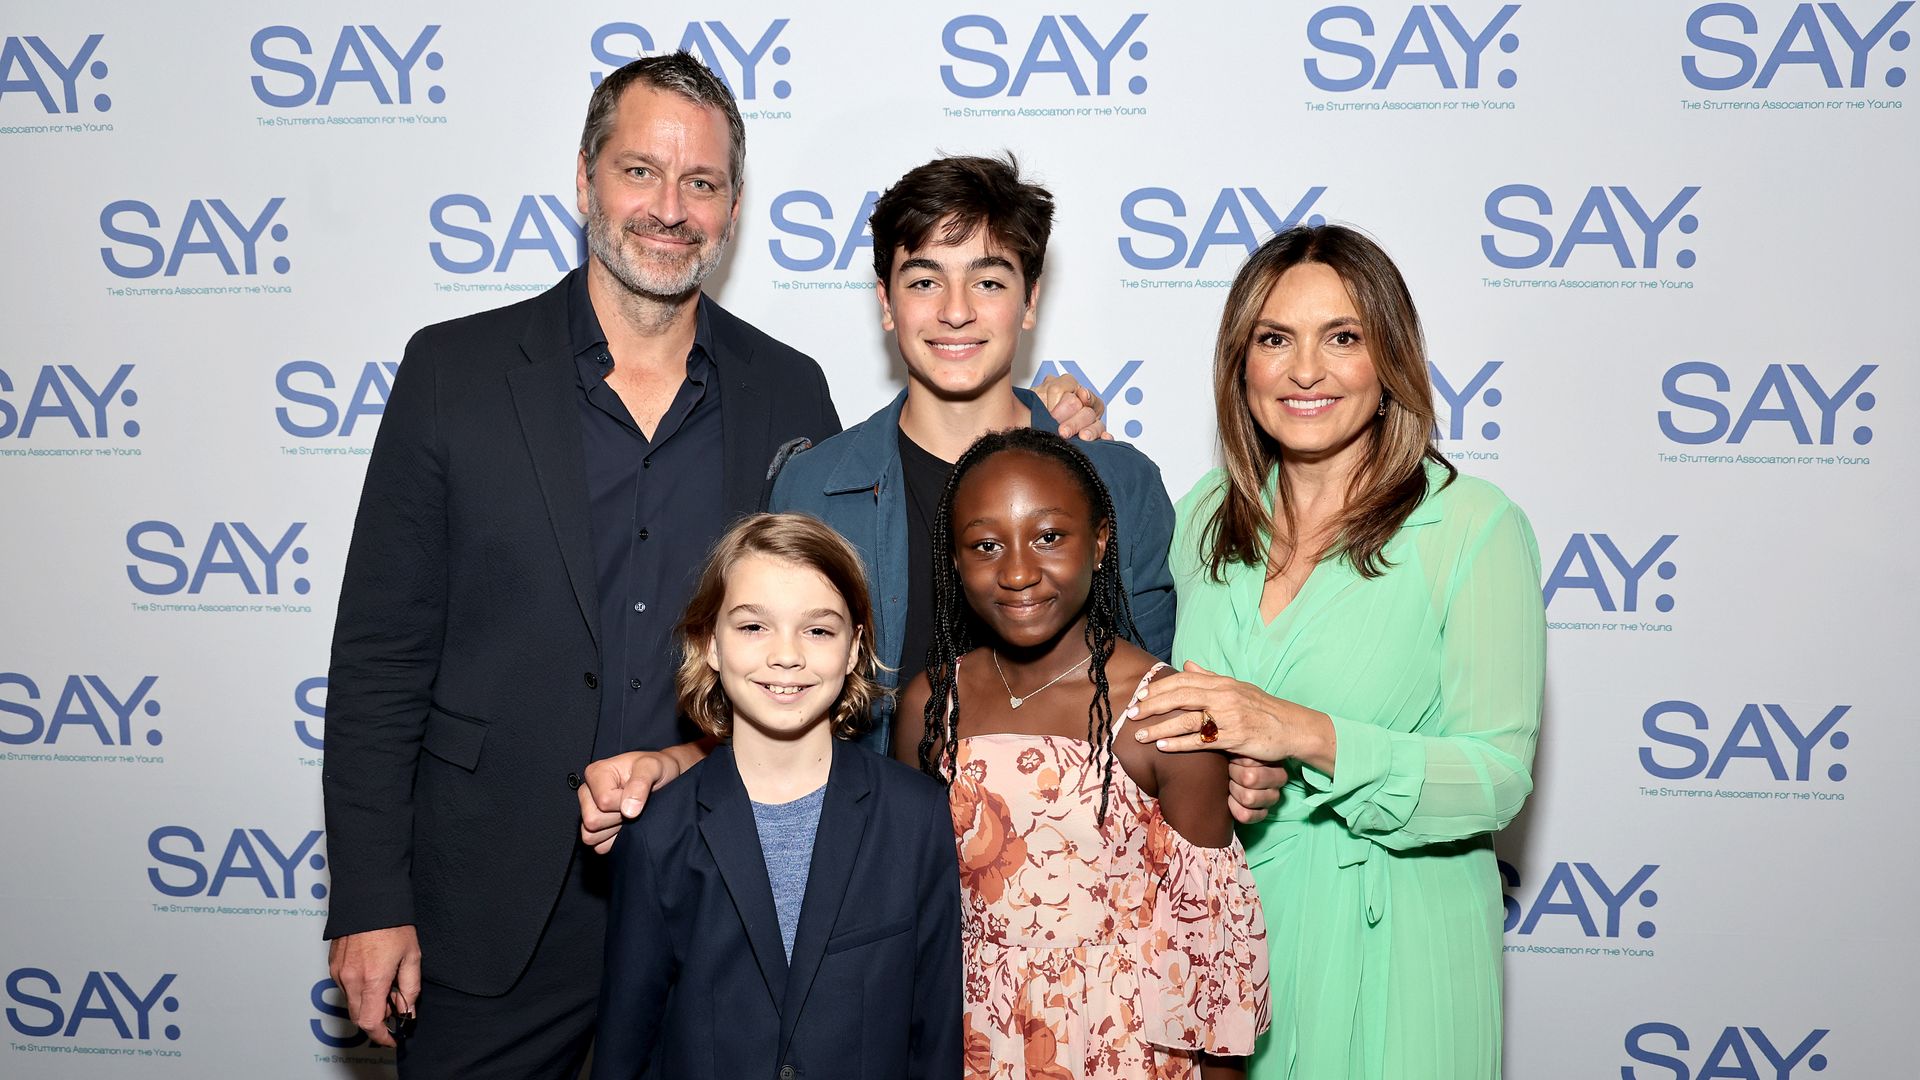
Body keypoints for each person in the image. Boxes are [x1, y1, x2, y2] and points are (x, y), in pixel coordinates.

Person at [322, 52, 1099, 1077]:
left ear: (733, 208)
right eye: (641, 171)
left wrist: (1044, 434)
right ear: (586, 179)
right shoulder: (453, 373)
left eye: (703, 183)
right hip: (493, 910)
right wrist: (374, 899)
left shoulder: (788, 395)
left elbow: (862, 612)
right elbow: (381, 656)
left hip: (728, 907)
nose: (670, 209)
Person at [580, 154, 1202, 847]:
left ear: (1029, 303)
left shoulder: (1117, 485)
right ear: (886, 303)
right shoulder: (813, 486)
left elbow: (1161, 718)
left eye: (988, 281)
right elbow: (775, 711)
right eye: (924, 280)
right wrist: (676, 761)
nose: (956, 311)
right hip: (867, 882)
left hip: (1073, 892)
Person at [1126, 225, 1547, 1079]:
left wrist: (1303, 733)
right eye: (1275, 339)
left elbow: (1498, 775)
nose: (1305, 371)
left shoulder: (1474, 527)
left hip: (1401, 941)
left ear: (1388, 359)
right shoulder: (1206, 513)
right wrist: (1229, 767)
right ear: (1240, 365)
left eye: (1342, 338)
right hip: (1232, 935)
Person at [894, 428, 1270, 1080]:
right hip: (964, 1037)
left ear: (1098, 544)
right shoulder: (929, 704)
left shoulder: (1168, 714)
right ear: (954, 561)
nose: (1017, 571)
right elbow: (904, 913)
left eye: (1048, 537)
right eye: (986, 546)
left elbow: (1209, 962)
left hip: (1119, 1047)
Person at [592, 513, 960, 1080]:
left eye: (818, 630)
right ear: (708, 643)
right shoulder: (657, 832)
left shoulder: (917, 816)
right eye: (752, 627)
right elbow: (627, 1045)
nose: (786, 655)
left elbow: (935, 1035)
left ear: (855, 647)